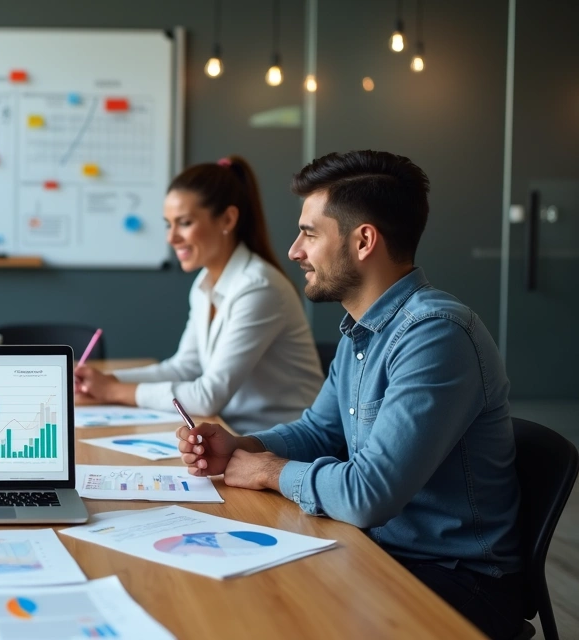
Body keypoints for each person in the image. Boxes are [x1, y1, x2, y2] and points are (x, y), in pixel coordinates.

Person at [178, 150, 523, 639]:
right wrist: (244, 446)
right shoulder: (363, 331)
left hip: (453, 582)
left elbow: (368, 495)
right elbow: (320, 431)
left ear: (364, 241)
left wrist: (269, 471)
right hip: (377, 551)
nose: (295, 250)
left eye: (310, 234)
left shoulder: (437, 335)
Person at [76, 155, 322, 434]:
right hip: (235, 435)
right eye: (169, 224)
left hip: (285, 445)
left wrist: (114, 391)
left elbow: (207, 396)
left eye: (184, 223)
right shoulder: (205, 283)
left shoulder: (259, 287)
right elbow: (184, 367)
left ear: (228, 219)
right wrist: (104, 380)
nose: (171, 238)